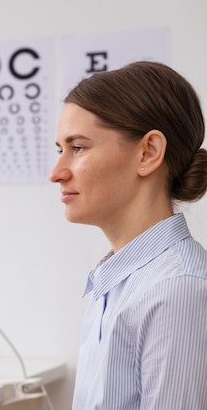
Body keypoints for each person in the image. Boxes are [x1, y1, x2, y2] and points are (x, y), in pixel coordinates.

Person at [50, 61, 207, 409]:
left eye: (78, 148)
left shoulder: (176, 289)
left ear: (148, 152)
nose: (57, 172)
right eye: (59, 149)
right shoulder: (119, 282)